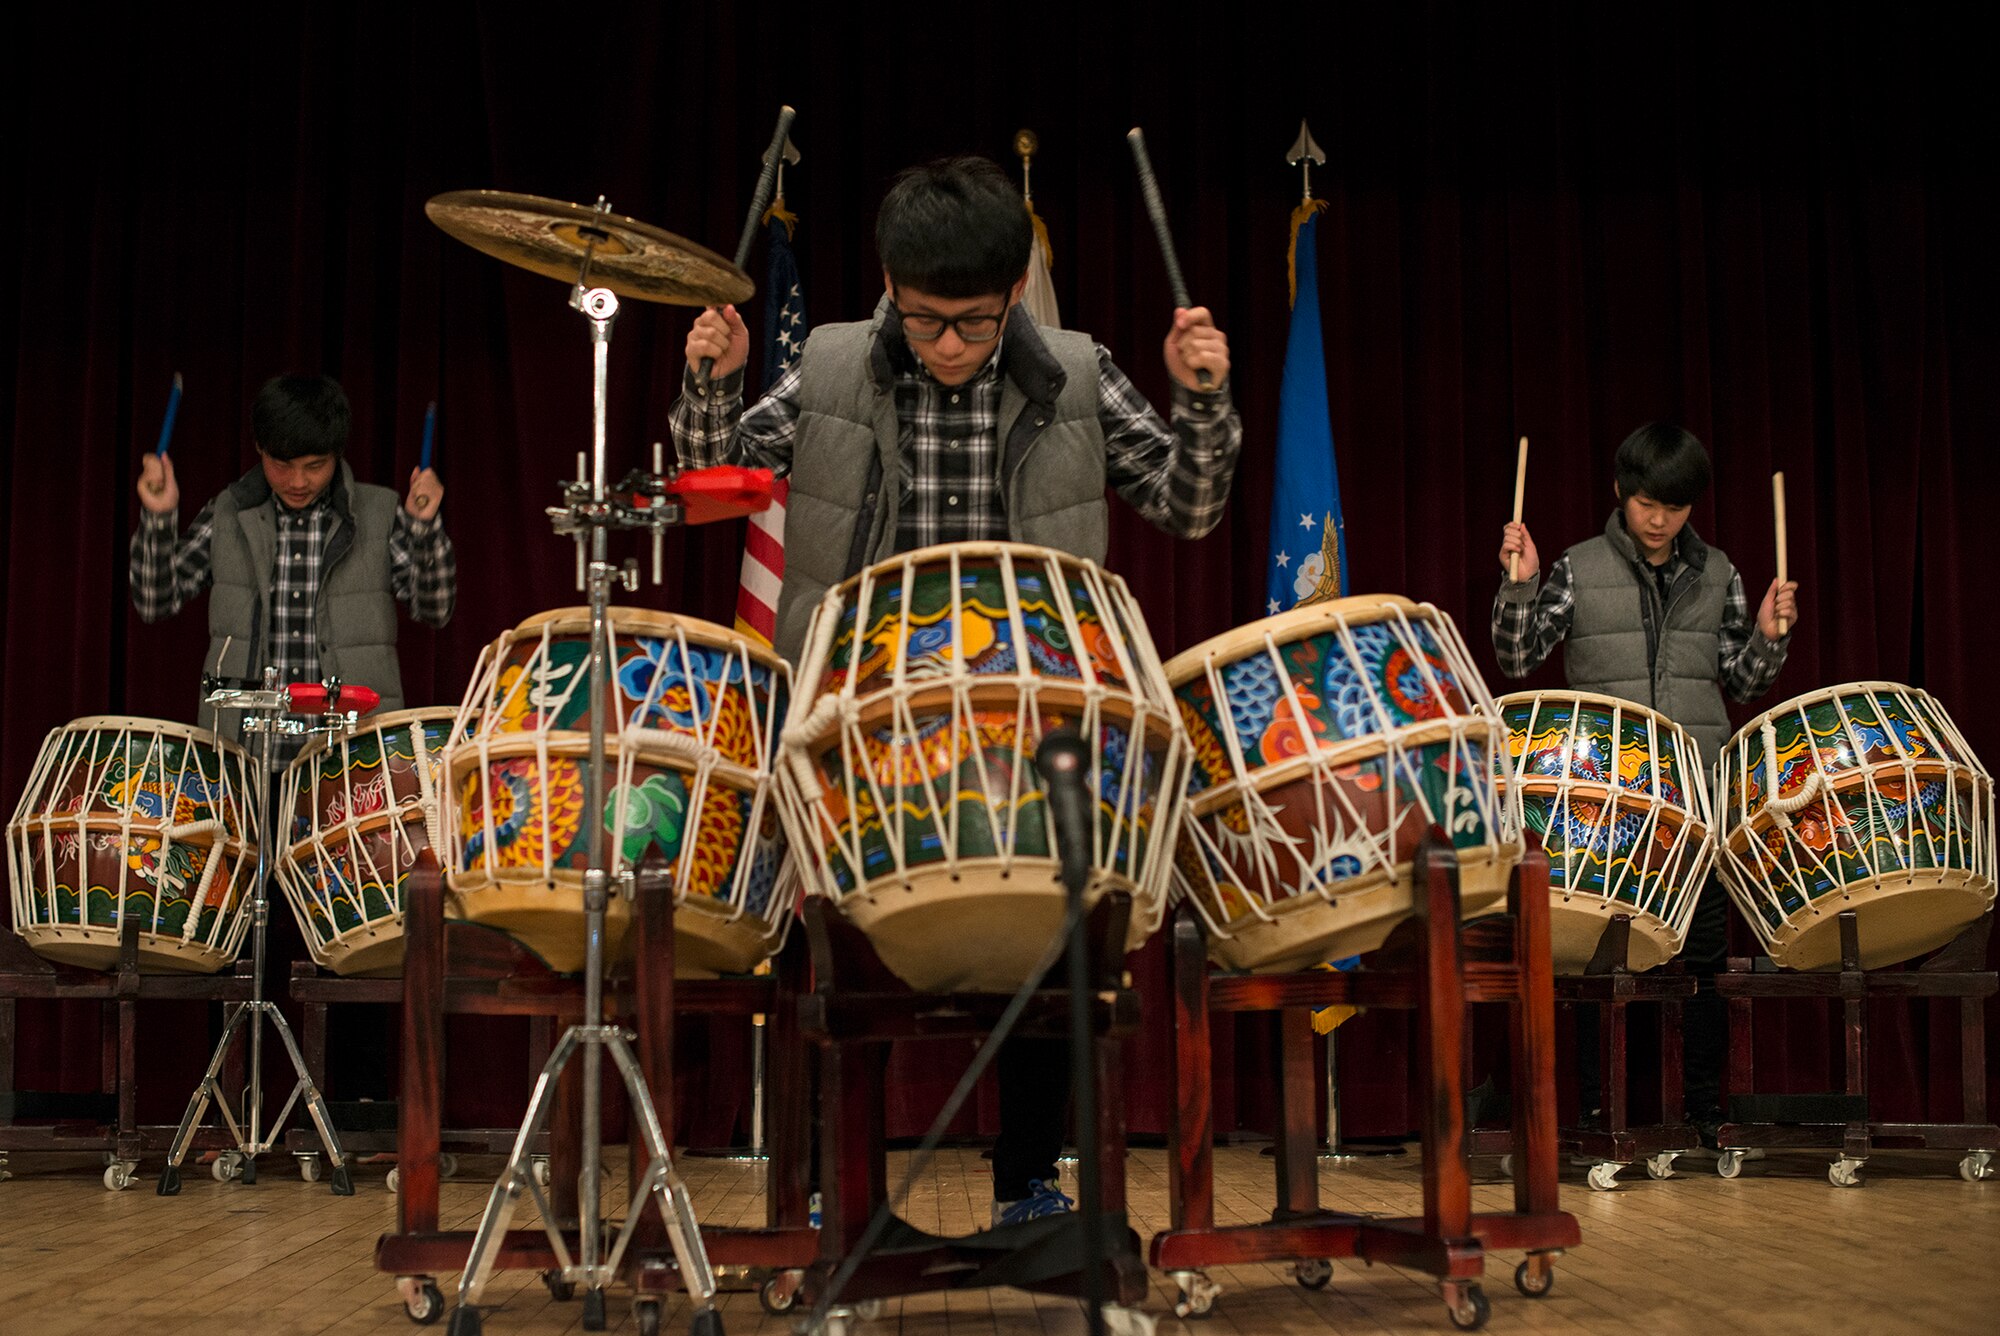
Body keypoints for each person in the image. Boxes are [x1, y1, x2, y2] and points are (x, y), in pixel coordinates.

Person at [670, 155, 1242, 1223]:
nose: (946, 346)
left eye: (973, 324)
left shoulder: (1074, 370)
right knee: (841, 954)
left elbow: (1188, 503)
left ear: (1013, 294)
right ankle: (830, 1188)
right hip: (855, 711)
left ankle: (1028, 1181)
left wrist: (1202, 401)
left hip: (1029, 707)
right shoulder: (834, 363)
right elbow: (711, 486)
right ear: (888, 285)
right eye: (926, 319)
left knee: (1050, 941)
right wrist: (712, 378)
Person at [1492, 421, 1800, 1147]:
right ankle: (1605, 1114)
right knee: (1606, 960)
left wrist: (1769, 637)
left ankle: (1701, 1111)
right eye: (1645, 504)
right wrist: (1521, 584)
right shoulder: (1575, 566)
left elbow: (1743, 682)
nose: (1659, 520)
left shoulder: (1720, 572)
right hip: (1609, 798)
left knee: (1702, 960)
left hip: (1697, 796)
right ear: (1621, 495)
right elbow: (1516, 658)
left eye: (1675, 506)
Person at [130, 373, 456, 754]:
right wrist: (158, 517)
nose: (297, 481)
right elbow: (154, 601)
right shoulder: (229, 513)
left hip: (351, 757)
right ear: (259, 449)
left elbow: (435, 608)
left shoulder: (378, 513)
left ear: (337, 454)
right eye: (282, 465)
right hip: (245, 753)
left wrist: (425, 528)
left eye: (315, 465)